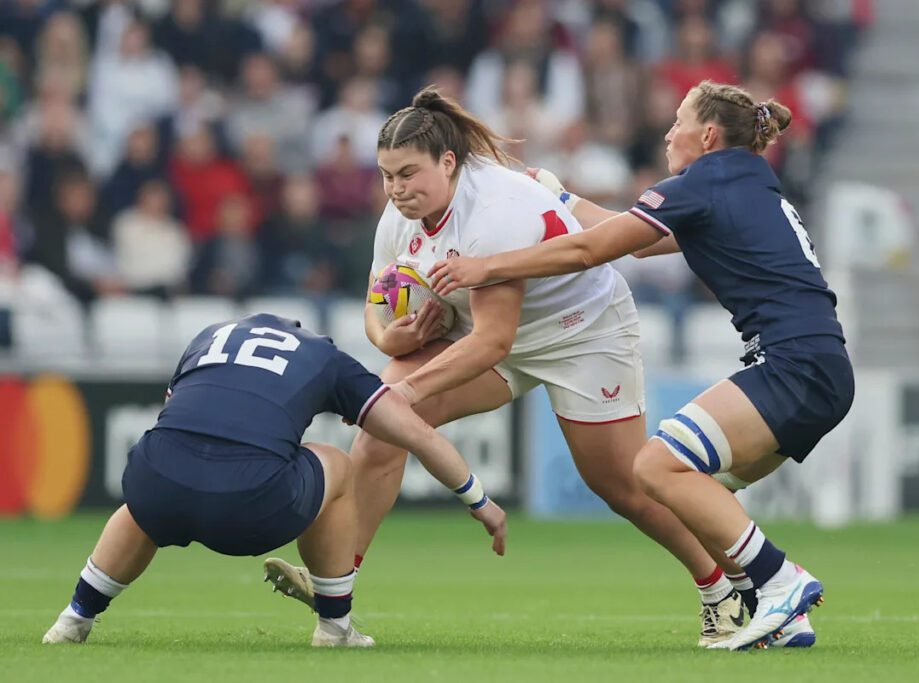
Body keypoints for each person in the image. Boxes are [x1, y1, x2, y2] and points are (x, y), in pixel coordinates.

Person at [268, 86, 753, 648]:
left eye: (408, 174)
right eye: (386, 176)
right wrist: (387, 335)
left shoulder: (493, 212)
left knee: (623, 486)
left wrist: (397, 393)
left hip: (582, 331)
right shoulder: (398, 215)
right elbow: (378, 304)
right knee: (382, 431)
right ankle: (336, 596)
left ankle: (723, 589)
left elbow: (494, 343)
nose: (396, 190)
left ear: (448, 162)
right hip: (486, 333)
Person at [430, 80, 854, 650]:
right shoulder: (745, 182)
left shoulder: (703, 179)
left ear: (706, 135)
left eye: (678, 120)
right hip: (820, 366)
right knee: (690, 490)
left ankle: (781, 580)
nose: (666, 132)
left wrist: (487, 268)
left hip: (792, 364)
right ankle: (779, 613)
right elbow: (636, 239)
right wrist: (558, 197)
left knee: (654, 468)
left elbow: (591, 251)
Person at [42, 313, 507, 648]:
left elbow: (182, 410)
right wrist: (479, 500)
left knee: (156, 486)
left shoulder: (209, 335)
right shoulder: (324, 356)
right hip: (251, 507)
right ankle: (335, 627)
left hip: (154, 480)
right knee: (338, 466)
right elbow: (418, 434)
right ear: (305, 334)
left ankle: (73, 618)